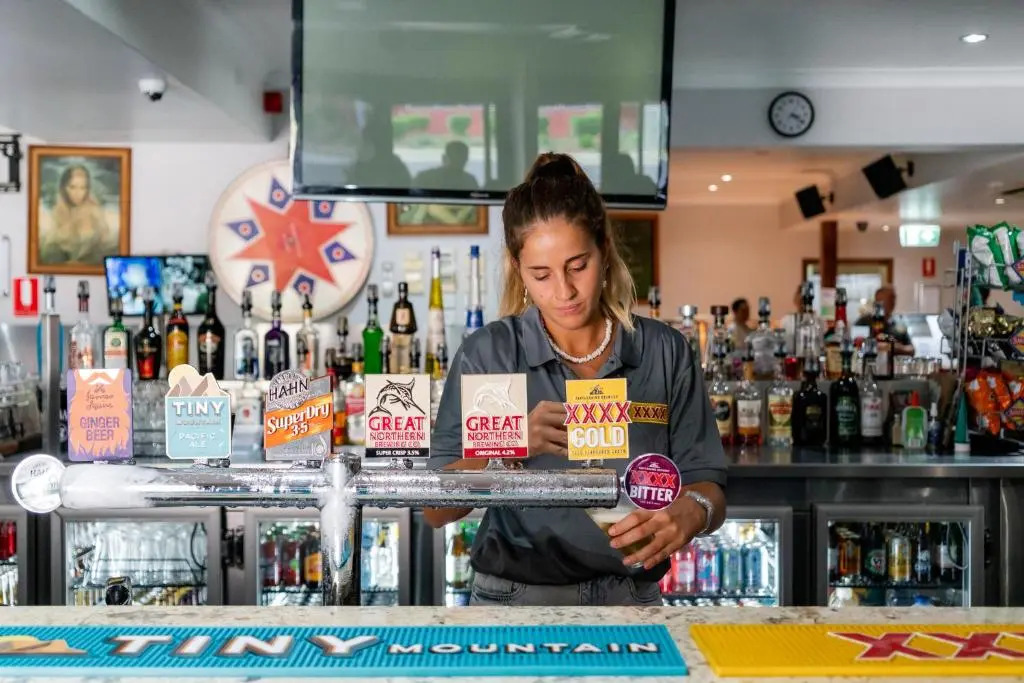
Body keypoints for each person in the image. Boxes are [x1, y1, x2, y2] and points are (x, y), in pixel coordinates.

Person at [424, 153, 727, 606]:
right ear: (518, 269)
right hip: (514, 600)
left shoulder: (665, 351)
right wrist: (507, 447)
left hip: (632, 598)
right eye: (541, 274)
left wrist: (692, 512)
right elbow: (435, 509)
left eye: (577, 265)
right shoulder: (489, 354)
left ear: (604, 250)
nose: (563, 291)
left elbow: (709, 487)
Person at [39, 164, 115, 265]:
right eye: (72, 187)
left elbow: (105, 250)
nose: (78, 193)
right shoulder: (56, 214)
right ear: (64, 187)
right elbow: (48, 252)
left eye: (83, 188)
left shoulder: (95, 214)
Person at [854, 285, 914, 356]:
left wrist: (897, 348)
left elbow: (911, 350)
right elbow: (854, 345)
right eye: (889, 299)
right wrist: (876, 346)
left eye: (893, 299)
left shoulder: (899, 324)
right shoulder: (864, 322)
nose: (892, 302)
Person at [413, 141, 478, 190]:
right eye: (454, 160)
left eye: (460, 160)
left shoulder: (425, 177)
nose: (457, 164)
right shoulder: (470, 181)